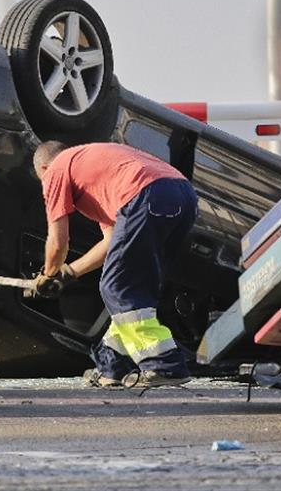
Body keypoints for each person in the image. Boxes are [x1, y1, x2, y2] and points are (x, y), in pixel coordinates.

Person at [32, 141, 197, 388]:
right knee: (132, 290)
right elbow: (110, 240)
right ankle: (113, 366)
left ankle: (164, 363)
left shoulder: (56, 169)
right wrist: (69, 273)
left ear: (44, 168)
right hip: (183, 195)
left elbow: (58, 241)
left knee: (117, 288)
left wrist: (48, 274)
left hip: (146, 193)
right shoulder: (94, 168)